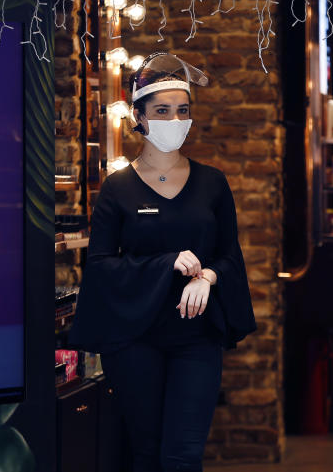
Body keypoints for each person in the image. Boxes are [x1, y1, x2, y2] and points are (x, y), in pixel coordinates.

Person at [69, 53, 256, 472]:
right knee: (147, 454)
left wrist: (207, 277)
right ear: (138, 116)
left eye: (183, 111)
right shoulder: (117, 189)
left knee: (183, 455)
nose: (175, 120)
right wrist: (166, 263)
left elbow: (230, 255)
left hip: (197, 339)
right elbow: (99, 267)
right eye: (163, 111)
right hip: (134, 340)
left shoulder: (213, 183)